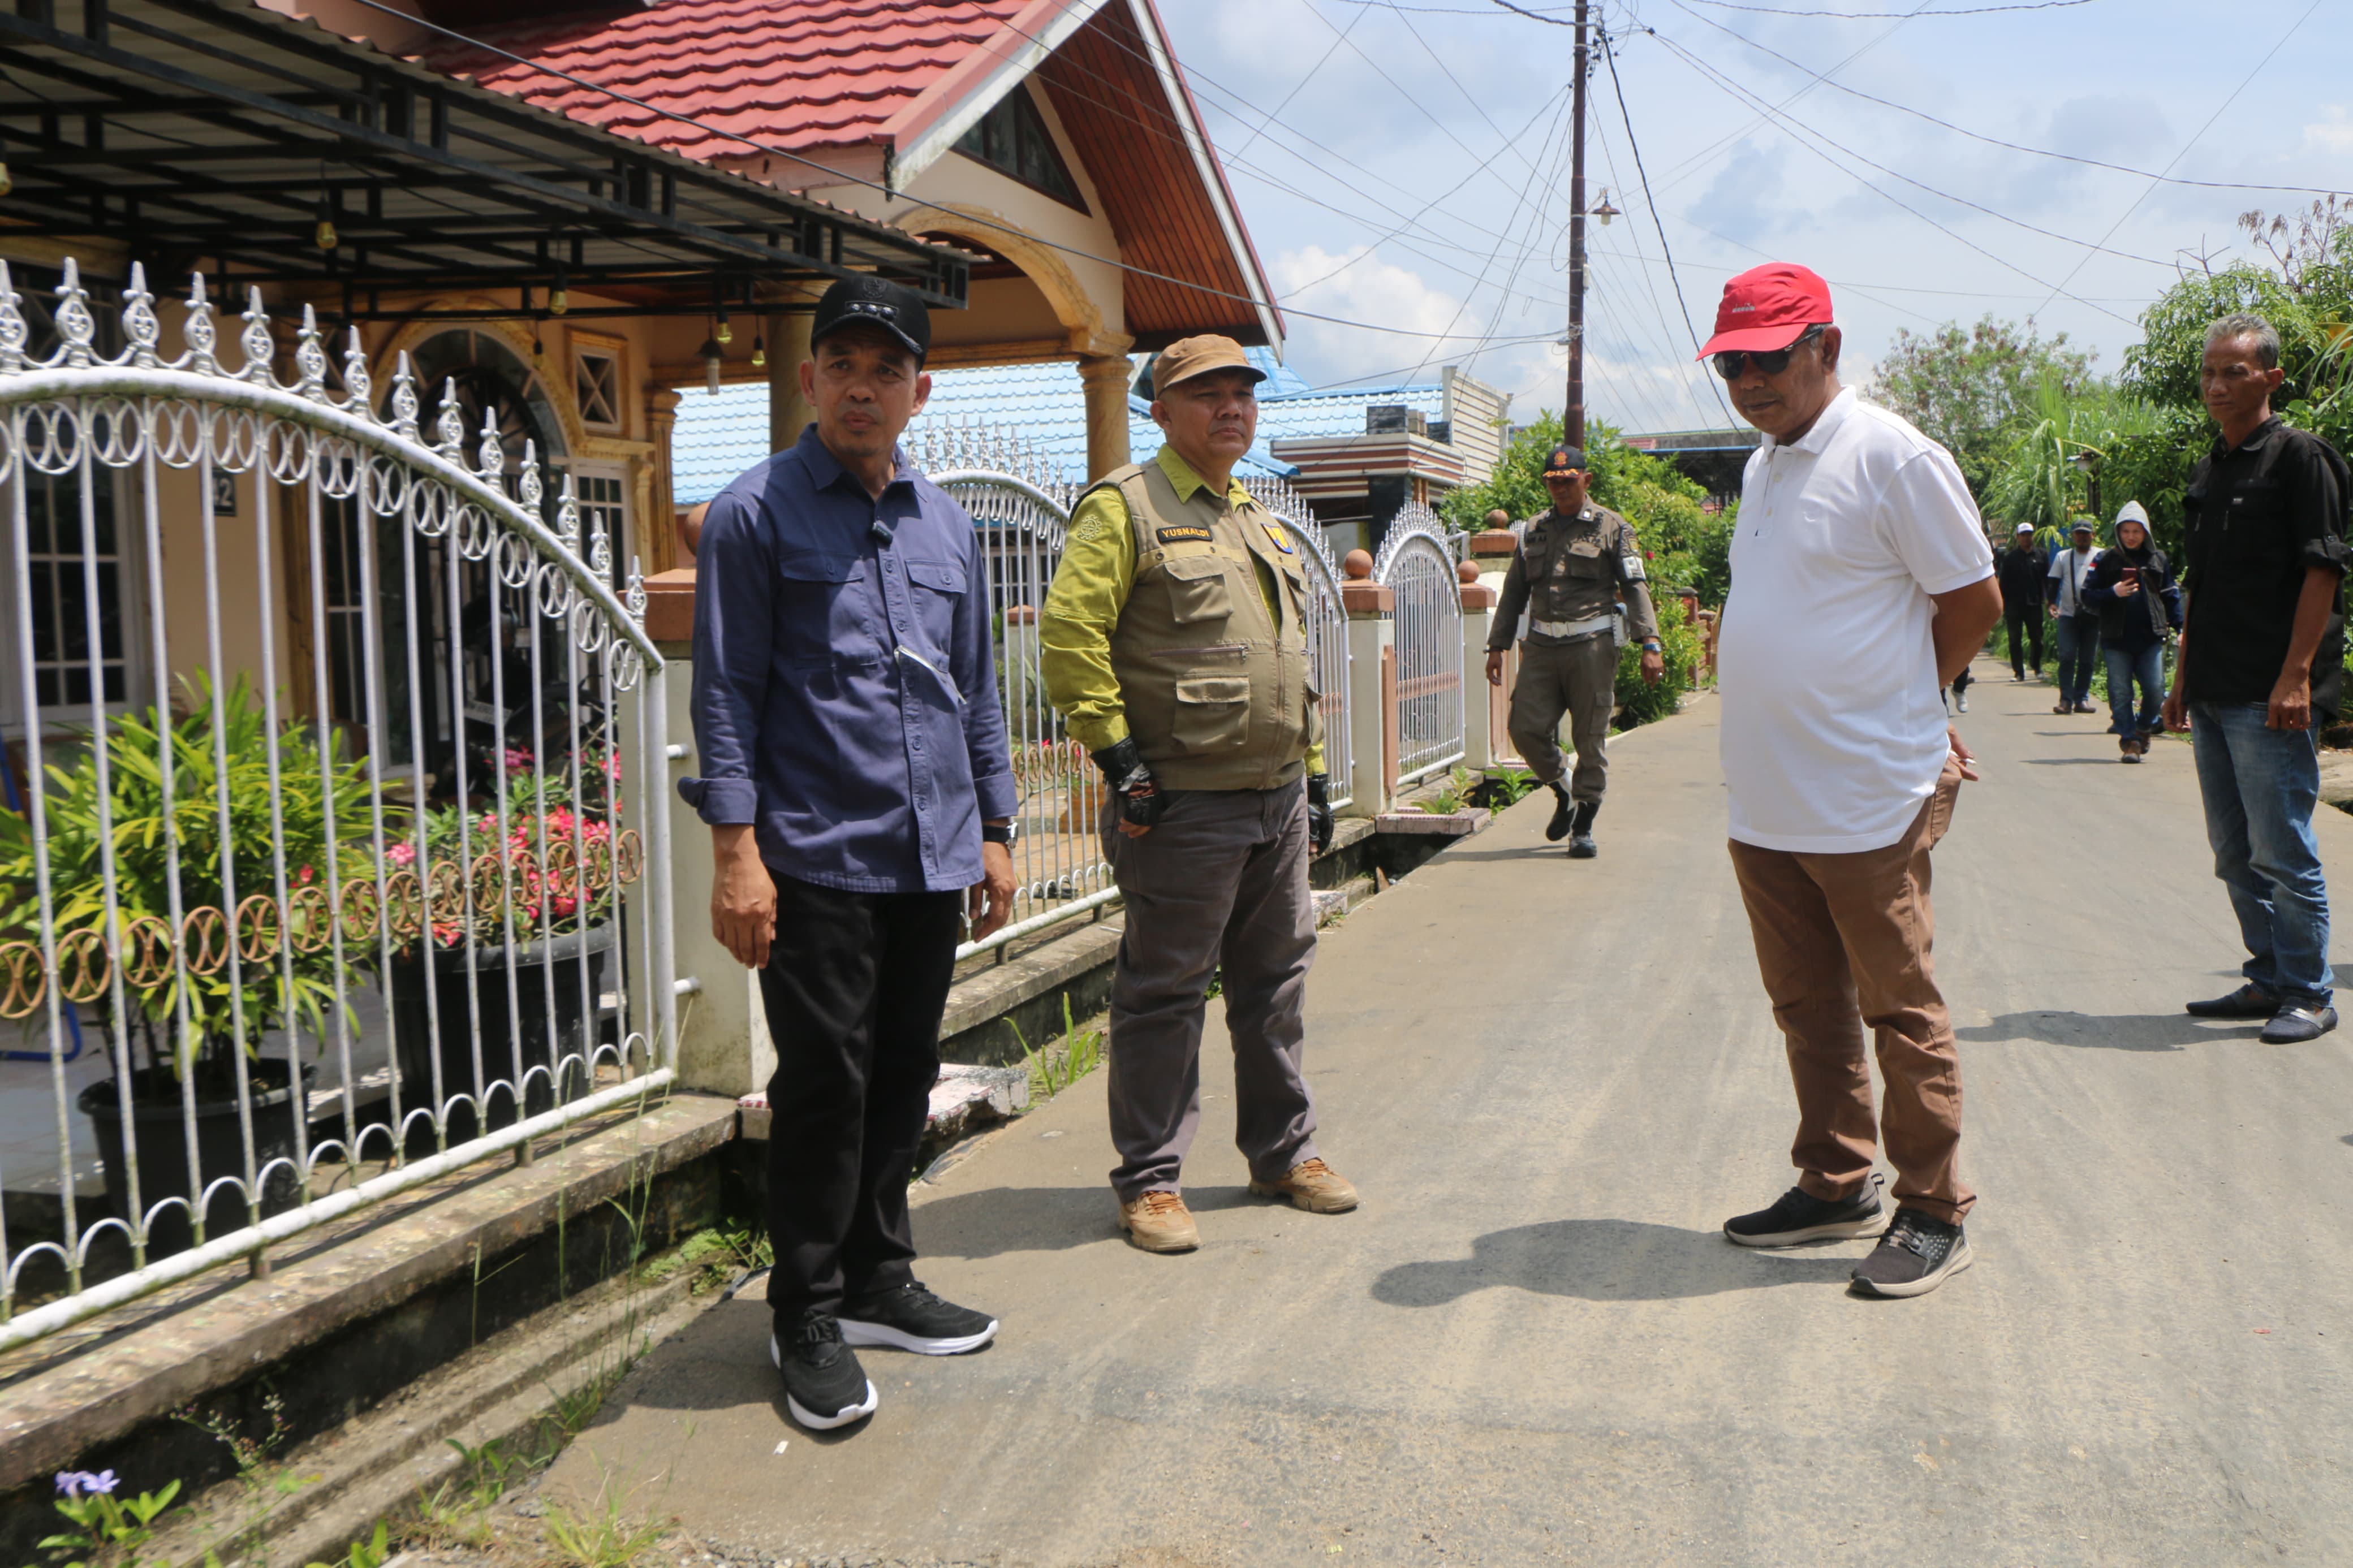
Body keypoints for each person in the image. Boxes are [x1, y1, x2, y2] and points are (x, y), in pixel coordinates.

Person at [683, 276, 1019, 1431]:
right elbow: (722, 695)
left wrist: (996, 826)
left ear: (918, 390)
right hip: (816, 854)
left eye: (886, 370)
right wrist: (737, 852)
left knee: (905, 1078)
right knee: (824, 1091)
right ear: (813, 377)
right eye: (842, 365)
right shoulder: (754, 514)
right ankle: (806, 1312)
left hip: (929, 854)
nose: (861, 387)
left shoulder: (949, 523)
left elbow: (978, 689)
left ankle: (878, 1277)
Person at [1699, 261, 2001, 1299]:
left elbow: (1973, 603)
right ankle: (1836, 1179)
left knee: (1899, 1004)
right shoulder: (1762, 464)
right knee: (1805, 1004)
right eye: (1732, 362)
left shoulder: (1896, 458)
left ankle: (1933, 1208)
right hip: (1767, 797)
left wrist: (1913, 710)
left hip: (1868, 793)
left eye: (1768, 357)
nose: (1748, 380)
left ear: (1826, 346)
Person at [1037, 334, 1356, 1254]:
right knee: (1166, 990)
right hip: (1180, 802)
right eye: (1206, 393)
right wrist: (1119, 756)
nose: (1231, 408)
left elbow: (1291, 662)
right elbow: (1069, 638)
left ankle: (1283, 1152)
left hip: (1278, 797)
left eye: (1242, 393)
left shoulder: (1257, 516)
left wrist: (1321, 773)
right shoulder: (1126, 509)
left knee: (1274, 983)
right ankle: (1149, 1178)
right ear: (1161, 409)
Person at [2164, 312, 2351, 1044]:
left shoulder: (2301, 458)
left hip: (2271, 693)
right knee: (2235, 852)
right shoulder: (2210, 468)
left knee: (2283, 849)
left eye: (2234, 371)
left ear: (2270, 378)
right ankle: (2268, 978)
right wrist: (2181, 678)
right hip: (2213, 688)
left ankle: (2309, 991)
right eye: (2209, 371)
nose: (2217, 384)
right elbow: (2199, 585)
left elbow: (2323, 568)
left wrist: (2297, 676)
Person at [1481, 444, 1665, 857]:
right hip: (1543, 646)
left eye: (1568, 481)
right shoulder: (1533, 530)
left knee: (1590, 737)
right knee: (1524, 729)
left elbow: (1636, 587)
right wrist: (1497, 644)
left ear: (1586, 480)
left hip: (1592, 646)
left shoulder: (1612, 527)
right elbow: (1513, 592)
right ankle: (1564, 786)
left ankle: (1583, 823)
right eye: (1553, 482)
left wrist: (1650, 643)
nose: (1560, 489)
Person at [2082, 501, 2180, 762]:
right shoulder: (2104, 559)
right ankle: (2130, 741)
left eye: (2137, 531)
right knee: (2120, 692)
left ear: (2145, 532)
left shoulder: (2158, 558)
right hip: (2116, 638)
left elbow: (2171, 595)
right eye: (2126, 531)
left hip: (2151, 637)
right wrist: (2112, 592)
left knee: (2155, 689)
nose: (2131, 537)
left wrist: (2182, 627)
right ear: (2118, 532)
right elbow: (2087, 595)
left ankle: (2144, 727)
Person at [2046, 519, 2102, 714]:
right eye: (2078, 533)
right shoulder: (2063, 556)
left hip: (2092, 616)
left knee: (2088, 659)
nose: (2082, 537)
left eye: (2086, 533)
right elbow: (2053, 582)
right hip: (2068, 615)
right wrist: (2051, 603)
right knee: (2067, 656)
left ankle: (2082, 699)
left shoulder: (2101, 556)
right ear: (2073, 536)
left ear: (2093, 535)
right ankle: (2065, 700)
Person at [1996, 521, 2048, 680]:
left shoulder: (2042, 555)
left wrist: (2047, 599)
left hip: (2034, 603)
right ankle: (2018, 672)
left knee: (2037, 638)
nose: (2026, 538)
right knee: (2014, 639)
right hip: (2014, 605)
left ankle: (2037, 666)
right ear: (2018, 537)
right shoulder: (2011, 558)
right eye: (2023, 535)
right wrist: (2003, 604)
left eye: (2029, 535)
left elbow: (2047, 579)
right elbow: (2003, 582)